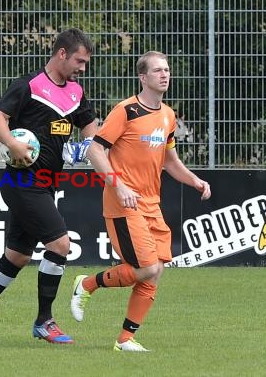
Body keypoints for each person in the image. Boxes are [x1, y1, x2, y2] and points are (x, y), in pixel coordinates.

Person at [0, 28, 98, 344]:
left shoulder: (75, 93)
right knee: (60, 245)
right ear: (62, 54)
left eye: (85, 62)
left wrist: (86, 144)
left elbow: (89, 124)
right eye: (79, 60)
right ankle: (44, 321)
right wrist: (13, 144)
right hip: (22, 181)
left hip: (47, 184)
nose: (82, 67)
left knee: (18, 256)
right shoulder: (29, 86)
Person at [70, 51, 211, 351]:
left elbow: (170, 161)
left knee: (156, 271)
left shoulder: (168, 115)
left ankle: (125, 339)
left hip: (151, 204)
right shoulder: (126, 110)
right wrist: (118, 186)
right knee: (147, 268)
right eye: (158, 70)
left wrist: (194, 180)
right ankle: (86, 284)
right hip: (123, 202)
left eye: (167, 70)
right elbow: (95, 150)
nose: (165, 75)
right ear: (142, 77)